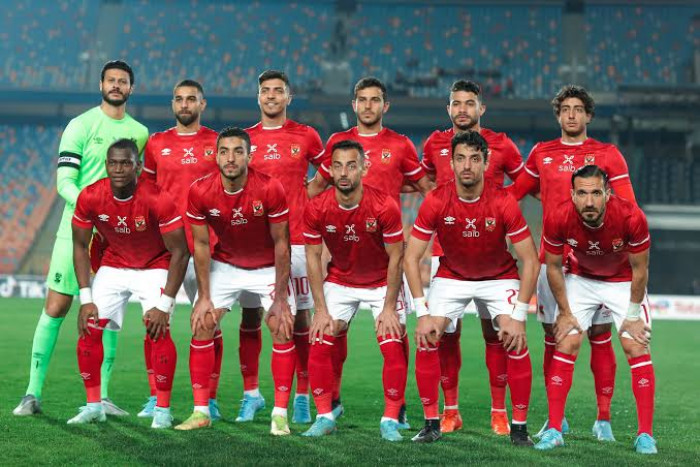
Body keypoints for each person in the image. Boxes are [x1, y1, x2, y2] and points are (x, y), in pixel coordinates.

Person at [13, 60, 148, 417]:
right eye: (111, 80)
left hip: (116, 238)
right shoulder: (81, 125)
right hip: (75, 230)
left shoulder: (140, 133)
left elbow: (139, 186)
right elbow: (64, 183)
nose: (116, 85)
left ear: (131, 88)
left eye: (122, 81)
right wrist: (95, 211)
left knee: (109, 314)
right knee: (56, 307)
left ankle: (101, 397)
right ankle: (31, 393)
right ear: (101, 85)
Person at [510, 85, 636, 439]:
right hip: (552, 259)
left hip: (596, 261)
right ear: (557, 115)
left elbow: (628, 207)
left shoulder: (607, 154)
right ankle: (557, 419)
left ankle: (603, 418)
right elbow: (514, 193)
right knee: (554, 336)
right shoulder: (542, 152)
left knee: (599, 335)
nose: (571, 115)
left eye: (578, 109)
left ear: (589, 115)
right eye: (565, 109)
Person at [307, 76, 433, 425]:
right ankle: (330, 403)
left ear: (385, 106)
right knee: (331, 332)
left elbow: (425, 187)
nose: (367, 106)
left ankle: (397, 408)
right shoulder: (337, 143)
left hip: (384, 256)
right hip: (344, 255)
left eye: (374, 100)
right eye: (362, 99)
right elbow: (316, 187)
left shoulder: (400, 145)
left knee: (394, 333)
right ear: (353, 105)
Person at [404, 131, 539, 445]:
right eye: (461, 158)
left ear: (486, 163)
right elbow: (411, 257)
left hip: (499, 277)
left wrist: (519, 316)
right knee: (428, 336)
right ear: (451, 163)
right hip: (452, 276)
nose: (467, 166)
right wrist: (422, 313)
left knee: (514, 339)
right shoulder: (437, 199)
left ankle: (519, 429)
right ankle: (432, 423)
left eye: (475, 159)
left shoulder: (503, 200)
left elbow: (530, 260)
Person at [420, 79, 525, 434]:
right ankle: (450, 411)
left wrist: (499, 206)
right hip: (447, 253)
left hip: (491, 254)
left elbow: (524, 181)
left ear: (481, 108)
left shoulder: (502, 144)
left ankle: (499, 412)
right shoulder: (434, 143)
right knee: (446, 335)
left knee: (495, 334)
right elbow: (425, 179)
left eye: (469, 103)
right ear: (448, 108)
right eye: (456, 103)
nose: (462, 109)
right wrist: (439, 203)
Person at [175, 127, 297, 436]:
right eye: (224, 151)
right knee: (202, 322)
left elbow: (282, 243)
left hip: (267, 267)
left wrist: (281, 298)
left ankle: (280, 415)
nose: (230, 158)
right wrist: (204, 296)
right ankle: (201, 411)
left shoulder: (269, 188)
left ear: (249, 156)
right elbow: (201, 244)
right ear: (216, 156)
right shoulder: (200, 190)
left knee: (282, 325)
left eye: (238, 151)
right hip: (227, 265)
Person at [535, 165, 656, 455]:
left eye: (596, 193)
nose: (589, 201)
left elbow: (641, 269)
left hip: (623, 281)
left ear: (608, 193)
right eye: (582, 193)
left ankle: (645, 435)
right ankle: (555, 429)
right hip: (582, 279)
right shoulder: (559, 216)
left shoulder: (631, 216)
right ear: (572, 194)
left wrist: (632, 315)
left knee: (636, 346)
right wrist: (565, 312)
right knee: (566, 341)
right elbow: (553, 266)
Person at [67, 139, 188, 428]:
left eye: (125, 163)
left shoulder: (158, 198)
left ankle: (162, 410)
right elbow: (80, 246)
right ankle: (94, 406)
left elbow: (181, 251)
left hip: (155, 265)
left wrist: (165, 304)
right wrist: (86, 299)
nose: (118, 169)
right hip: (114, 264)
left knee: (158, 330)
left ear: (138, 166)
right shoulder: (91, 196)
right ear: (106, 165)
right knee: (88, 328)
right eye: (113, 163)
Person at [302, 140, 407, 441]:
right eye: (337, 166)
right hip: (341, 280)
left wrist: (389, 307)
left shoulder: (384, 205)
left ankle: (391, 418)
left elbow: (397, 256)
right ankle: (325, 415)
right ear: (330, 170)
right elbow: (312, 257)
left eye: (351, 165)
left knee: (391, 339)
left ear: (364, 168)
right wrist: (320, 310)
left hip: (382, 282)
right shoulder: (317, 207)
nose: (343, 172)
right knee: (320, 336)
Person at [236, 70, 324, 424]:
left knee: (299, 317)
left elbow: (328, 171)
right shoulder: (246, 140)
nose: (271, 96)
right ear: (258, 97)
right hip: (254, 245)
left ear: (288, 97)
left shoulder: (306, 135)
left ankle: (301, 396)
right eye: (265, 90)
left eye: (277, 91)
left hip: (297, 239)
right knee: (250, 316)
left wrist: (306, 193)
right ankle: (251, 394)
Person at [138, 79, 221, 420]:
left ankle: (210, 399)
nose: (184, 104)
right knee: (155, 321)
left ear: (202, 104)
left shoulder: (217, 142)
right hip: (166, 248)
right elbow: (145, 192)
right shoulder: (156, 143)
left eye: (191, 99)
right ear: (173, 104)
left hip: (206, 246)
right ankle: (155, 396)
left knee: (209, 323)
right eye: (179, 99)